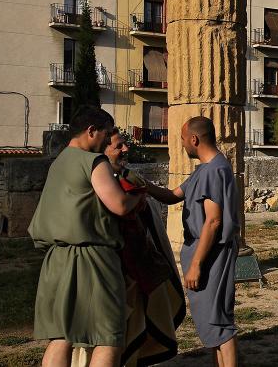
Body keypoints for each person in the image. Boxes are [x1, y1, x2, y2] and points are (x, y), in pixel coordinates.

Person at [28, 107, 145, 367]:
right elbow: (119, 205)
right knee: (108, 337)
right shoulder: (93, 161)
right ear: (91, 131)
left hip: (56, 260)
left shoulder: (58, 162)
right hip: (92, 259)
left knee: (62, 337)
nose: (107, 141)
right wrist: (139, 197)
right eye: (106, 134)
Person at [74, 130, 186, 367]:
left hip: (134, 277)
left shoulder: (128, 180)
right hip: (106, 276)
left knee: (128, 339)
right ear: (102, 150)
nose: (126, 150)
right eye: (119, 146)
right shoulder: (90, 187)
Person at [145, 117, 240, 366]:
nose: (183, 145)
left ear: (194, 140)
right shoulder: (204, 170)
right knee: (211, 319)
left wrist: (197, 263)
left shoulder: (215, 170)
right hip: (203, 250)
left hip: (211, 253)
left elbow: (213, 221)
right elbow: (172, 196)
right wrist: (142, 185)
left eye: (183, 139)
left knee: (219, 320)